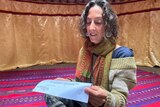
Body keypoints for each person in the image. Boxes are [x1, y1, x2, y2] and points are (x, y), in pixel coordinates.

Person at [45, 0, 137, 107]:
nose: (91, 28)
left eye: (98, 22)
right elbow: (82, 84)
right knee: (51, 92)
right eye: (88, 22)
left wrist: (105, 99)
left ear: (108, 26)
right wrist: (67, 83)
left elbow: (121, 100)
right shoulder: (85, 50)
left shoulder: (122, 55)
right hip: (85, 101)